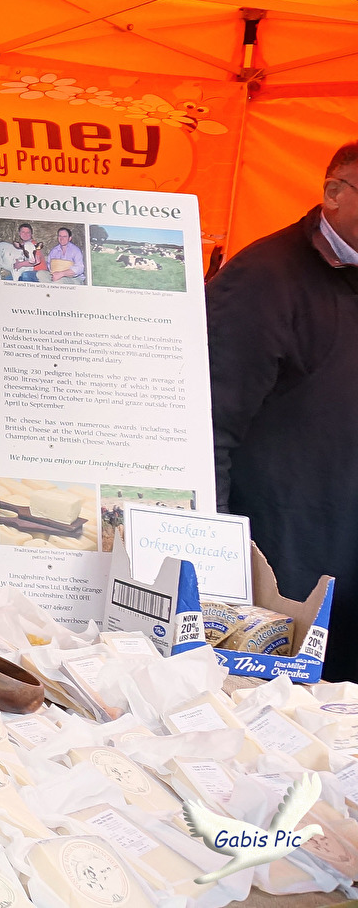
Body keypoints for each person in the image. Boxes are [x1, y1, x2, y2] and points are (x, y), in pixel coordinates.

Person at [208, 142, 358, 681]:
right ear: (333, 195)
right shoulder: (266, 276)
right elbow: (212, 422)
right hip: (289, 551)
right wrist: (220, 548)